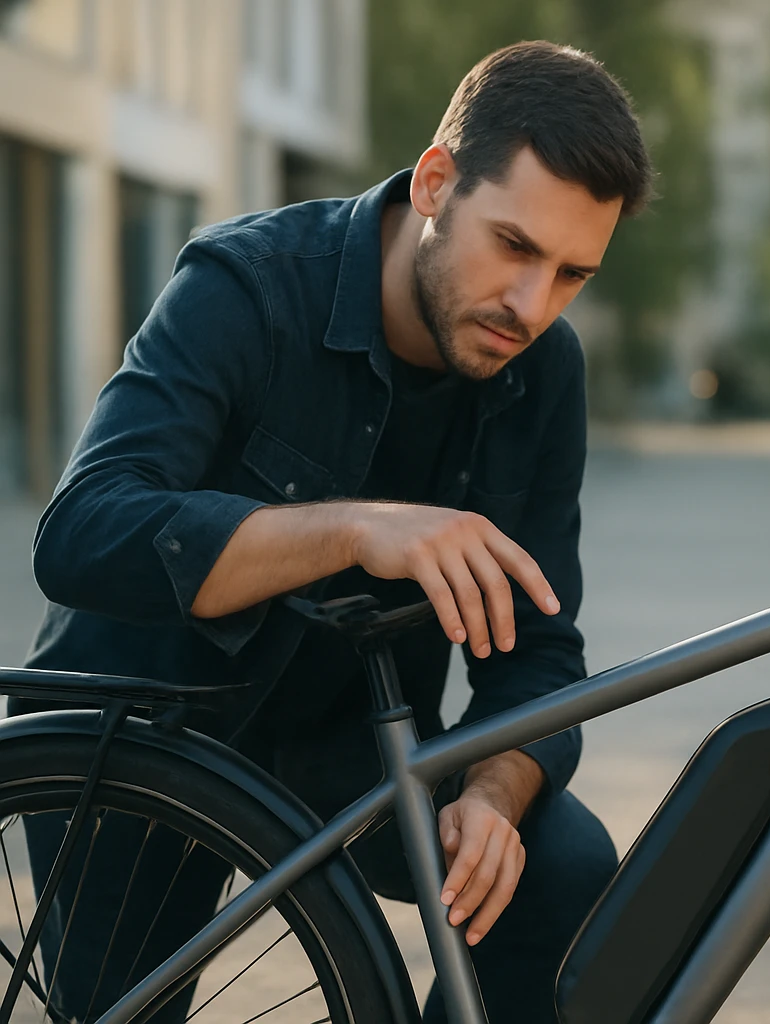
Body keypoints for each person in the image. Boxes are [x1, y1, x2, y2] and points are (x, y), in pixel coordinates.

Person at [16, 40, 649, 1023]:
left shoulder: (543, 367)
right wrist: (353, 528)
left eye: (573, 273)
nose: (534, 305)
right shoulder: (249, 283)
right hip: (140, 732)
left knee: (562, 866)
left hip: (347, 743)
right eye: (516, 247)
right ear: (436, 181)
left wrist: (495, 791)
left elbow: (540, 653)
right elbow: (81, 533)